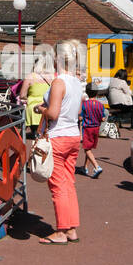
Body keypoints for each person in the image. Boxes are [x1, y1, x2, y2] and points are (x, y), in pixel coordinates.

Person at [37, 41, 85, 244]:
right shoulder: (76, 81)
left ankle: (61, 230)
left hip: (58, 137)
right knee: (68, 183)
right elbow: (79, 111)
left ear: (56, 58)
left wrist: (41, 110)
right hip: (74, 136)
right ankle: (72, 228)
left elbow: (53, 113)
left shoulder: (59, 82)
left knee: (57, 185)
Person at [19, 58, 55, 139]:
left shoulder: (30, 76)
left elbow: (22, 95)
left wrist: (26, 97)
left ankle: (34, 133)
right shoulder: (52, 77)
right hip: (47, 106)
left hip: (33, 108)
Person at [78, 94, 105, 178]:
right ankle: (85, 167)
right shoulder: (100, 105)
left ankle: (97, 167)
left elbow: (80, 118)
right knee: (89, 148)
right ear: (96, 94)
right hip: (96, 128)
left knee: (86, 149)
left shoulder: (84, 104)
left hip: (87, 128)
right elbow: (103, 118)